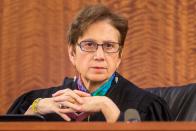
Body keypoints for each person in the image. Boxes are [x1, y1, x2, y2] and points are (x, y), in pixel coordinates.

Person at [7, 4, 172, 122]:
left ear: (119, 56)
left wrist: (108, 108)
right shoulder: (39, 101)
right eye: (89, 45)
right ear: (72, 53)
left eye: (109, 46)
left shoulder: (144, 106)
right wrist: (34, 110)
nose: (99, 55)